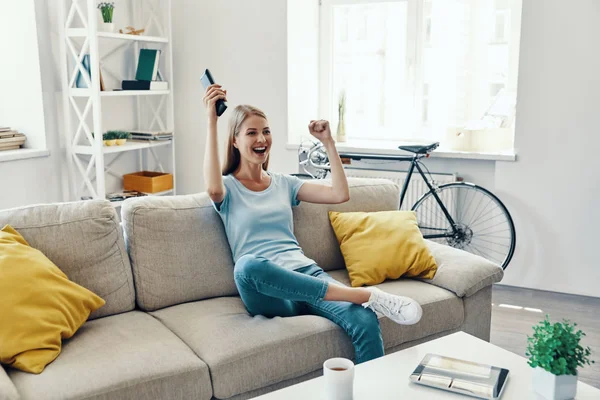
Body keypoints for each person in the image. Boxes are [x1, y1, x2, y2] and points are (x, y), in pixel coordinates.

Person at [202, 84, 423, 364]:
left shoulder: (284, 183)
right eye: (252, 133)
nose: (262, 139)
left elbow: (339, 194)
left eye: (266, 131)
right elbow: (212, 188)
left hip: (308, 276)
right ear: (234, 141)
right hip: (268, 290)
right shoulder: (228, 189)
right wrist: (211, 119)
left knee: (364, 320)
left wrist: (328, 143)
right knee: (247, 266)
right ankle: (365, 295)